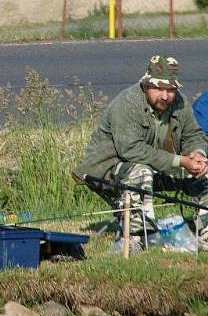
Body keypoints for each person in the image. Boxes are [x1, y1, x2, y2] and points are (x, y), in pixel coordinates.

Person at [73, 55, 208, 250]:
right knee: (140, 170)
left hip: (160, 166)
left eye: (170, 90)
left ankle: (205, 232)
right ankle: (136, 237)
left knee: (204, 170)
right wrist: (181, 161)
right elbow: (131, 150)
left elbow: (193, 134)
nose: (165, 95)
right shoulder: (127, 103)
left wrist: (197, 155)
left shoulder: (179, 102)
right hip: (111, 170)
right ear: (146, 85)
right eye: (159, 88)